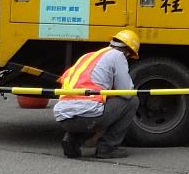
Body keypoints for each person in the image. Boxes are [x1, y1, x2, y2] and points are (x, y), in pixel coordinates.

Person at [53, 29, 141, 159]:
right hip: (87, 117)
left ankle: (72, 140)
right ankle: (108, 148)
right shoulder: (118, 56)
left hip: (63, 117)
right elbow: (127, 92)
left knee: (91, 107)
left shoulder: (88, 56)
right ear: (128, 51)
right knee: (132, 101)